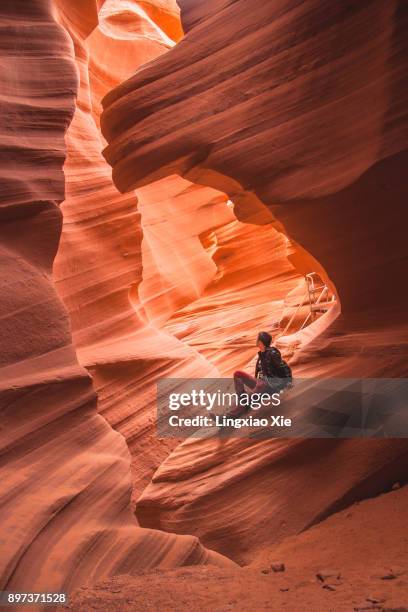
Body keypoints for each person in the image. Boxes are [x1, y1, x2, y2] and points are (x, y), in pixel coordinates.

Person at [230, 331, 292, 416]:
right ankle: (243, 401)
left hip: (272, 386)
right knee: (238, 374)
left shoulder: (272, 353)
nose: (256, 341)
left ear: (260, 342)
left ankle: (230, 415)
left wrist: (288, 382)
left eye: (257, 339)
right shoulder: (261, 356)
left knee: (261, 384)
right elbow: (259, 374)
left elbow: (283, 367)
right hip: (262, 385)